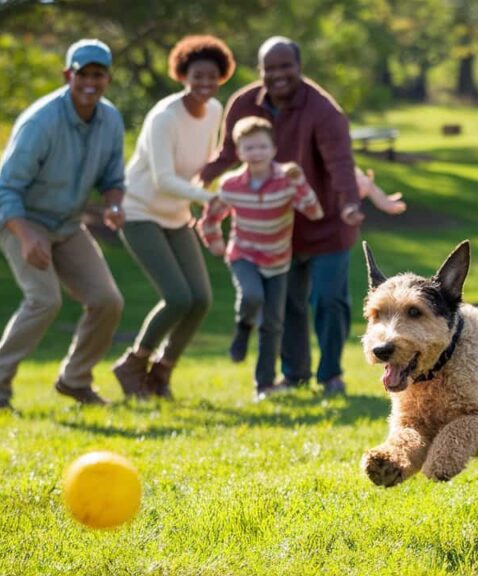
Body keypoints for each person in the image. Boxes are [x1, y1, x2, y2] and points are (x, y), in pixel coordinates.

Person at [200, 36, 363, 397]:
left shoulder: (323, 111)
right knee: (288, 304)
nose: (277, 75)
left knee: (327, 300)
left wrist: (350, 203)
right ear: (260, 71)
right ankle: (296, 374)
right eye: (269, 68)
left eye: (285, 66)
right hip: (277, 230)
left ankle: (331, 374)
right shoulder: (244, 103)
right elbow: (228, 152)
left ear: (299, 67)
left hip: (326, 223)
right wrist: (198, 181)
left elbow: (340, 163)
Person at [0, 39, 126, 414]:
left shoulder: (111, 120)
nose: (90, 82)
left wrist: (114, 203)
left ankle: (75, 380)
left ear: (107, 78)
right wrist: (26, 236)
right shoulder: (41, 121)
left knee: (108, 301)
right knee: (44, 299)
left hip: (67, 224)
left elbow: (112, 177)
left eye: (98, 75)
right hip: (19, 217)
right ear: (67, 75)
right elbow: (5, 190)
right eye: (82, 74)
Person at [111, 35, 236, 400]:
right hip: (140, 212)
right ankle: (133, 364)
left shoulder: (215, 109)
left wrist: (217, 192)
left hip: (177, 213)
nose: (205, 84)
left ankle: (161, 373)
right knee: (178, 297)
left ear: (221, 77)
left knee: (201, 299)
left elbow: (205, 164)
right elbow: (162, 178)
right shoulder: (164, 117)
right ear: (183, 74)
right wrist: (207, 196)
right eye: (197, 76)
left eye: (212, 77)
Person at [197, 117, 324, 401]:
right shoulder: (231, 184)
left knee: (273, 324)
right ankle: (242, 330)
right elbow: (210, 219)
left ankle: (263, 385)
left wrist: (299, 182)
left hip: (279, 261)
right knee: (252, 296)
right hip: (244, 255)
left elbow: (313, 212)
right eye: (249, 147)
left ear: (273, 148)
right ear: (240, 152)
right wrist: (216, 246)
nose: (256, 152)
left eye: (262, 146)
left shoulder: (286, 179)